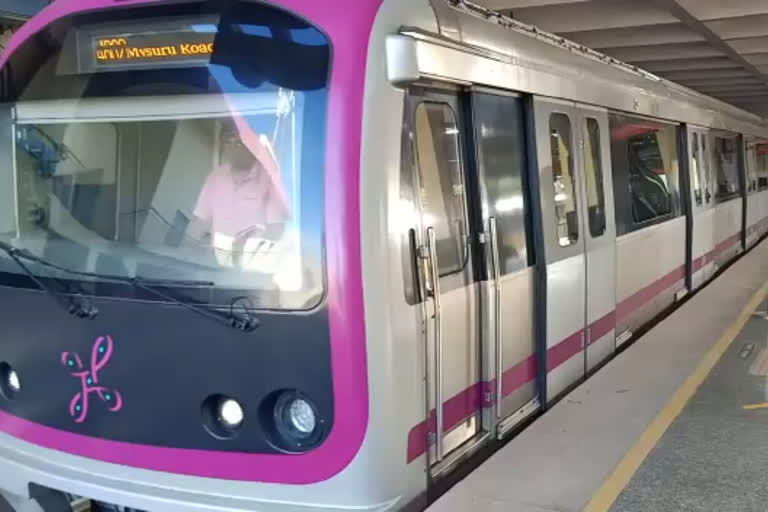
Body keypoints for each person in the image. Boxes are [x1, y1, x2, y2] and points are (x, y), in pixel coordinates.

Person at [187, 119, 291, 270]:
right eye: (228, 141)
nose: (234, 146)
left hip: (252, 271)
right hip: (214, 267)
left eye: (239, 141)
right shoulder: (215, 177)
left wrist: (250, 258)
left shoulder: (269, 179)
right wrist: (185, 251)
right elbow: (200, 222)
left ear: (251, 144)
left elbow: (275, 230)